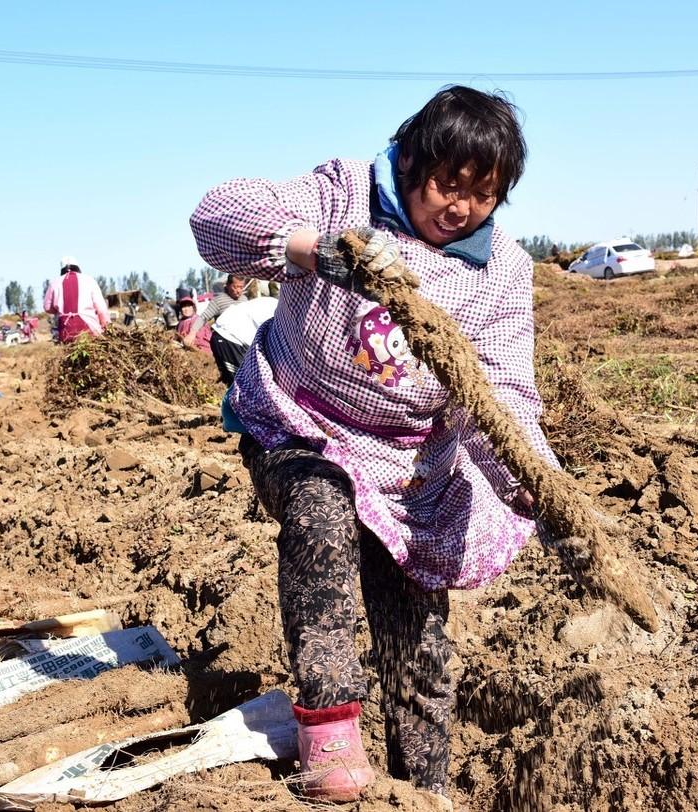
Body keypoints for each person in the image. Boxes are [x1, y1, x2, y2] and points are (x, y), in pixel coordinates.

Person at [190, 85, 557, 803]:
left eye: (481, 195)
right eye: (448, 184)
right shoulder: (345, 194)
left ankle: (428, 787)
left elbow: (502, 393)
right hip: (298, 418)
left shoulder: (503, 272)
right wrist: (310, 251)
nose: (459, 206)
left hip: (409, 469)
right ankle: (328, 732)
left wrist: (534, 483)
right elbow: (216, 217)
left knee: (415, 633)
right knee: (321, 514)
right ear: (413, 160)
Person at [209, 296, 277, 385]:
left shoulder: (273, 303)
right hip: (228, 337)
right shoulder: (276, 311)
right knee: (243, 385)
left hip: (225, 336)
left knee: (234, 384)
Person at [43, 256, 110, 343]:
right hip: (90, 330)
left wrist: (58, 310)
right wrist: (107, 328)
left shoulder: (54, 283)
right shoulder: (89, 280)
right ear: (77, 267)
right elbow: (101, 309)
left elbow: (47, 307)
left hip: (66, 331)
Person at [185, 273, 247, 340]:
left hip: (242, 338)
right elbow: (203, 317)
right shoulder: (218, 301)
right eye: (235, 287)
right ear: (228, 285)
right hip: (226, 339)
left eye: (241, 287)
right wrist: (192, 333)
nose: (238, 291)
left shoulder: (244, 300)